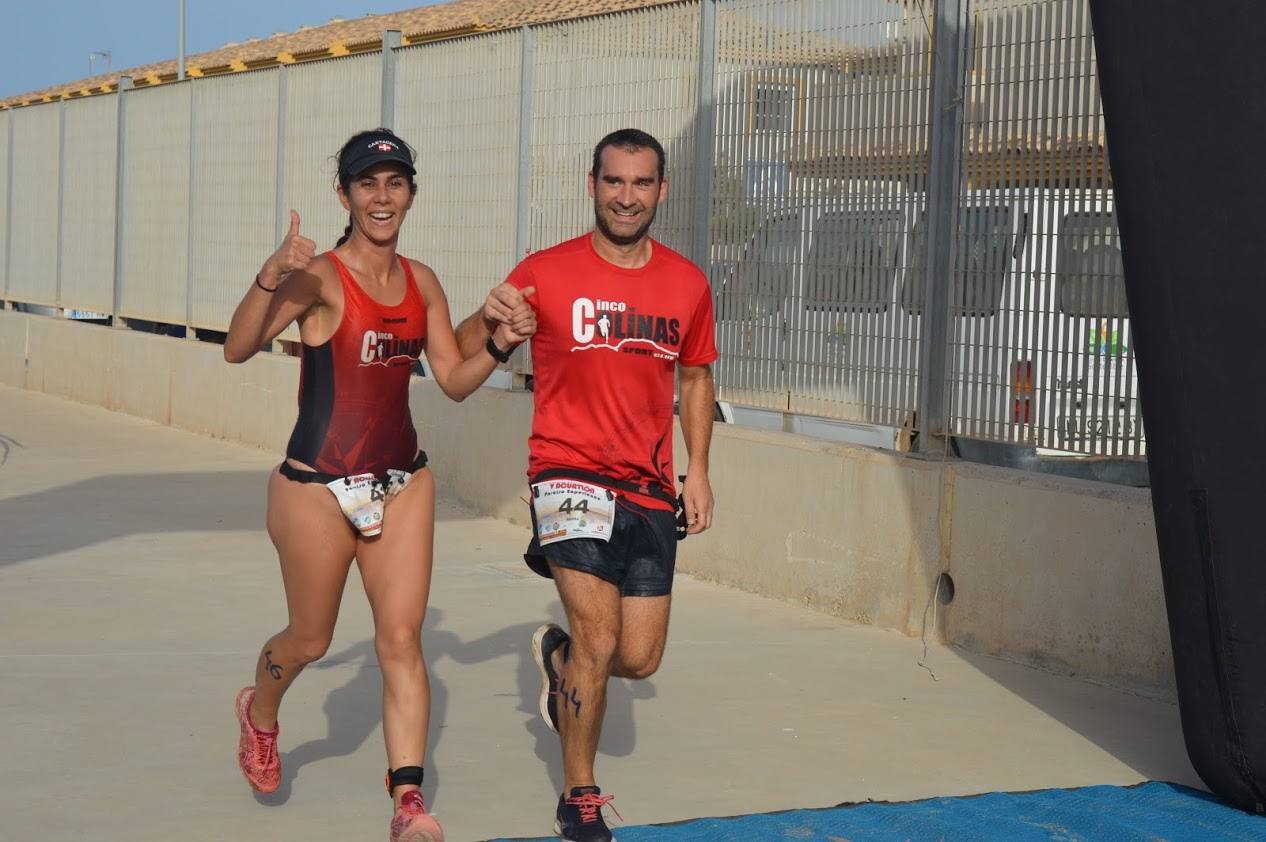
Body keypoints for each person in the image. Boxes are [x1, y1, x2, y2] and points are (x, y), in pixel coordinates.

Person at [222, 127, 535, 842]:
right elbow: (238, 347)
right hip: (314, 488)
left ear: (411, 195)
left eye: (395, 183)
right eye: (367, 183)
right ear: (345, 194)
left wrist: (501, 339)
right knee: (308, 638)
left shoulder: (422, 281)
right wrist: (270, 274)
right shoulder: (320, 277)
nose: (382, 196)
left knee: (401, 639)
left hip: (402, 484)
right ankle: (260, 712)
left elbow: (454, 379)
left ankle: (407, 805)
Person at [457, 128, 717, 842]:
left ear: (661, 191)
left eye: (640, 184)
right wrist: (492, 324)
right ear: (592, 185)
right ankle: (579, 794)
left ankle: (557, 658)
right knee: (600, 640)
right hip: (565, 473)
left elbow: (694, 375)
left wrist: (700, 470)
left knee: (637, 657)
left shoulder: (688, 283)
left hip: (649, 486)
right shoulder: (547, 271)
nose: (626, 197)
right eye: (613, 182)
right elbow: (463, 352)